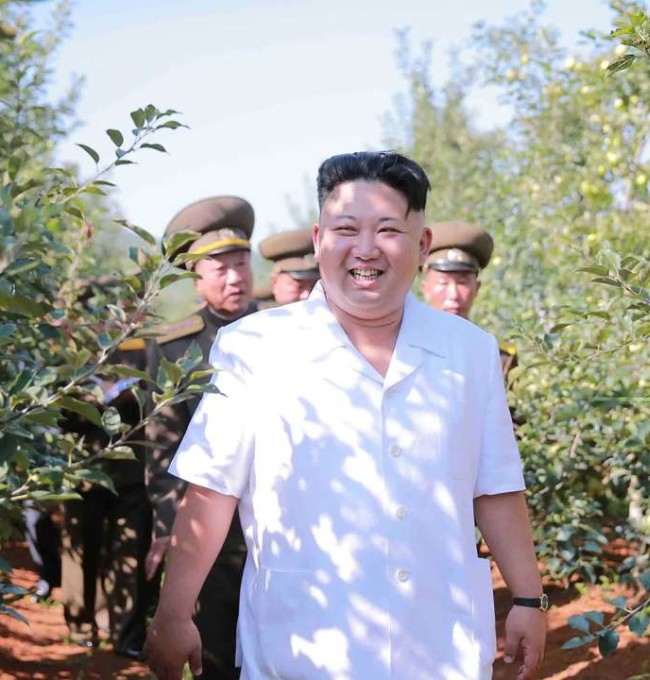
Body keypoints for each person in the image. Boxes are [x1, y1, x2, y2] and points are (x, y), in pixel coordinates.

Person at [145, 151, 547, 680]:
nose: (364, 249)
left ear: (421, 245)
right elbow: (211, 490)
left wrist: (528, 597)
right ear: (318, 240)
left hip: (438, 640)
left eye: (386, 230)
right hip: (306, 641)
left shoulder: (469, 351)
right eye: (345, 229)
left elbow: (495, 486)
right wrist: (174, 613)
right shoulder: (256, 346)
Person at [144, 195, 258, 680]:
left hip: (282, 522)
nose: (234, 278)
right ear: (196, 277)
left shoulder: (284, 331)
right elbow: (161, 443)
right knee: (216, 652)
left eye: (241, 265)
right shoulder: (175, 345)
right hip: (211, 530)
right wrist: (170, 527)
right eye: (220, 269)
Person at [58, 278, 152, 658]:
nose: (108, 321)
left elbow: (159, 400)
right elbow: (55, 413)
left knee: (130, 551)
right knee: (81, 548)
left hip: (133, 471)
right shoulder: (70, 359)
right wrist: (91, 399)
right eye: (97, 313)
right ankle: (81, 626)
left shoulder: (143, 351)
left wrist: (132, 395)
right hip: (84, 469)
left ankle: (126, 633)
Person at [421, 220, 518, 379]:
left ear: (477, 288)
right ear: (426, 289)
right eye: (443, 283)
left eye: (462, 283)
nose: (453, 295)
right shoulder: (400, 348)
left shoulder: (497, 356)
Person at [256, 227, 319, 307]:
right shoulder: (258, 316)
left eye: (314, 286)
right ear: (274, 282)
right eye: (299, 287)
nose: (307, 295)